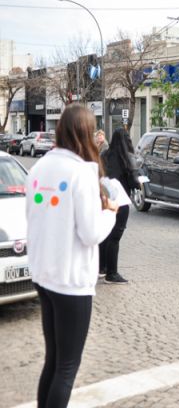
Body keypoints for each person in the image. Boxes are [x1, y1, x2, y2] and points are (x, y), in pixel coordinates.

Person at [26, 104, 117, 407]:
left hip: (44, 275)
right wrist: (111, 212)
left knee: (53, 361)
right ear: (86, 133)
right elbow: (91, 233)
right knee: (67, 368)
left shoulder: (38, 169)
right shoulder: (80, 173)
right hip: (70, 281)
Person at [99, 128, 138, 284]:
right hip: (121, 202)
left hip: (106, 198)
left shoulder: (104, 155)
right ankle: (112, 273)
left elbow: (99, 175)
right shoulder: (127, 158)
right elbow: (134, 181)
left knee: (105, 234)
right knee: (115, 236)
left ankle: (101, 268)